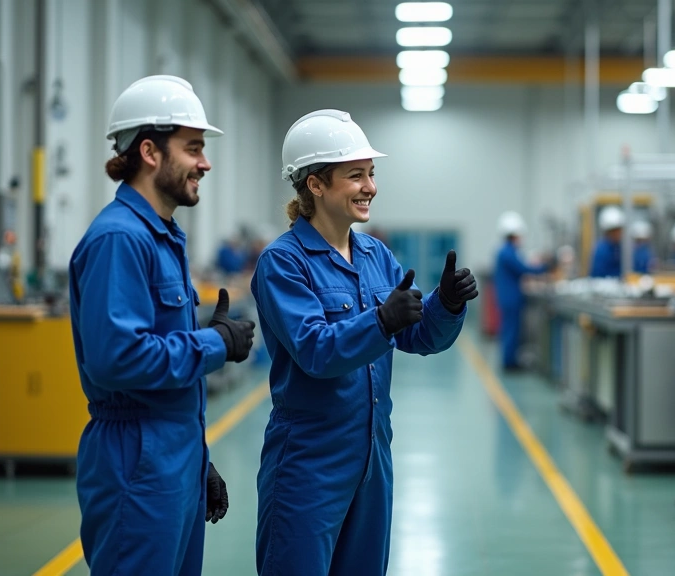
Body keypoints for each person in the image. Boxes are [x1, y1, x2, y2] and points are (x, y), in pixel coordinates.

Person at [251, 109, 478, 576]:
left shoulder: (376, 254)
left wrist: (446, 305)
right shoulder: (284, 263)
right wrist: (379, 321)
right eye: (356, 175)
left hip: (373, 458)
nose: (371, 187)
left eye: (372, 174)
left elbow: (416, 334)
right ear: (315, 184)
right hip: (308, 463)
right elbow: (315, 350)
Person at [68, 75, 256, 575]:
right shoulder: (120, 240)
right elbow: (118, 358)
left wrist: (198, 460)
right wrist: (214, 344)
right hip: (137, 462)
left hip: (172, 458)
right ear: (150, 152)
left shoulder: (163, 237)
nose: (205, 162)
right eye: (193, 148)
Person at [493, 211, 550, 370]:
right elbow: (523, 268)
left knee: (509, 329)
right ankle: (509, 363)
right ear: (514, 235)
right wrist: (545, 267)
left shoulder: (504, 250)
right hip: (511, 298)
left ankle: (509, 359)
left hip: (508, 296)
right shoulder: (507, 252)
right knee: (511, 330)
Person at [590, 206, 625, 278]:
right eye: (616, 230)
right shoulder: (602, 250)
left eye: (620, 230)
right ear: (608, 232)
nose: (619, 233)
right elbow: (598, 275)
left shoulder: (620, 247)